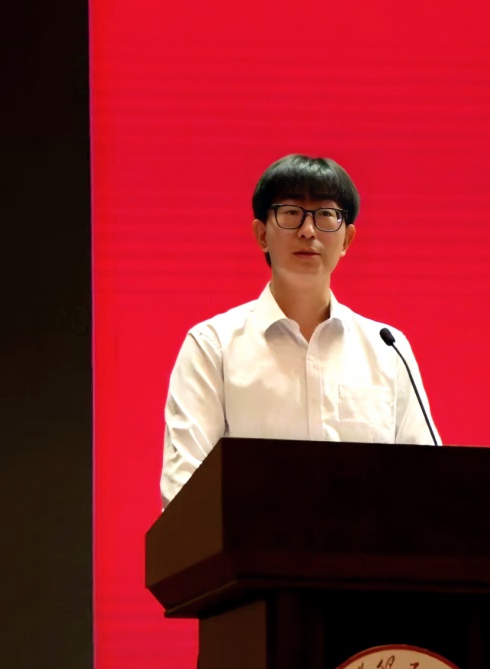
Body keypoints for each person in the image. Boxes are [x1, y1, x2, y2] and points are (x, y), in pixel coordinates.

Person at [160, 154, 439, 507]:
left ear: (347, 239)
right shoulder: (213, 346)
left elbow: (428, 482)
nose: (308, 230)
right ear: (262, 234)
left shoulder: (388, 349)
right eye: (291, 212)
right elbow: (184, 491)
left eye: (326, 215)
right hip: (250, 543)